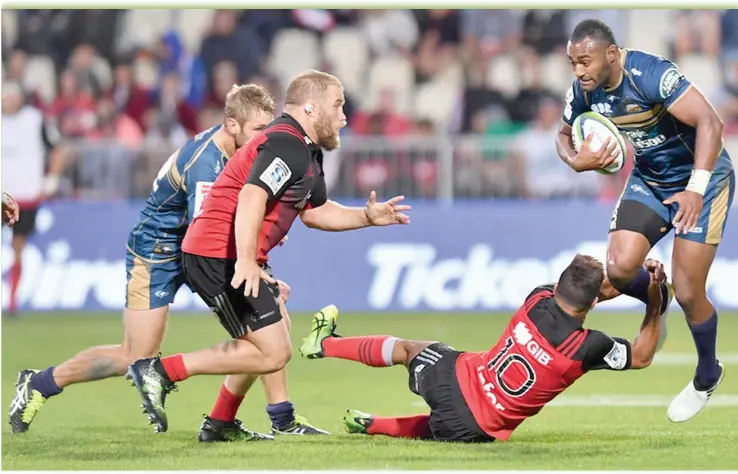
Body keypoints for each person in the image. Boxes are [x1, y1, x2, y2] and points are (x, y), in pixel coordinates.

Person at [9, 84, 328, 441]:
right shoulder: (208, 162)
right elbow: (207, 225)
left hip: (198, 247)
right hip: (158, 250)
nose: (264, 138)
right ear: (232, 126)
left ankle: (271, 419)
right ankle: (40, 383)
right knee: (135, 355)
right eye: (257, 131)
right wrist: (255, 265)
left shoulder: (242, 150)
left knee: (267, 321)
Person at [125, 69, 411, 435]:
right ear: (310, 107)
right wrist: (247, 260)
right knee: (273, 350)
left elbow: (316, 213)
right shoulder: (286, 143)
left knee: (268, 337)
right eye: (338, 105)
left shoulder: (304, 151)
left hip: (226, 253)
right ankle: (159, 372)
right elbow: (252, 195)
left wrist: (366, 217)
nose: (344, 116)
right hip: (219, 254)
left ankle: (222, 423)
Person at [554, 19, 733, 422]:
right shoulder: (583, 91)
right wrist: (574, 160)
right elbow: (563, 137)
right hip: (649, 180)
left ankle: (708, 373)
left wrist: (696, 189)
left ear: (611, 55)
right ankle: (656, 295)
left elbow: (712, 124)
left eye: (585, 61)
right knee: (618, 270)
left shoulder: (651, 74)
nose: (579, 71)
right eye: (572, 63)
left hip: (702, 181)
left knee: (690, 292)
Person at [299, 255, 667, 443]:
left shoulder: (536, 299)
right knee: (444, 426)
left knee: (411, 349)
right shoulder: (588, 346)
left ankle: (326, 344)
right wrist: (653, 300)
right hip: (478, 429)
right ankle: (373, 425)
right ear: (591, 304)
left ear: (558, 285)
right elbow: (643, 355)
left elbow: (586, 293)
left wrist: (629, 282)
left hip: (451, 379)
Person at [1, 81, 64, 315]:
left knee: (19, 247)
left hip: (24, 195)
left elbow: (58, 148)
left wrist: (52, 178)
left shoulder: (35, 120)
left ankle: (12, 300)